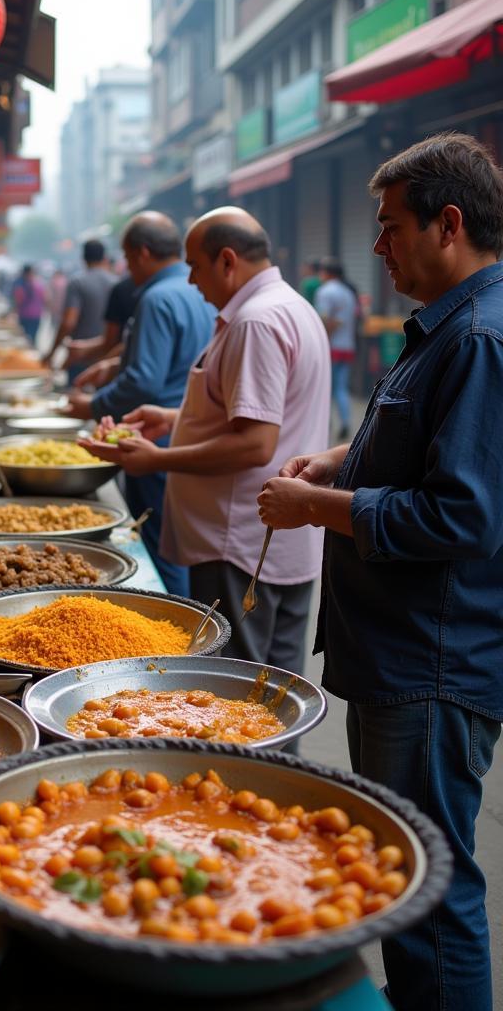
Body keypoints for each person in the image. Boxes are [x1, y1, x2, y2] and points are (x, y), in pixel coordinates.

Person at [257, 132, 503, 1011]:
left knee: (429, 885)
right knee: (402, 863)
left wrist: (316, 509)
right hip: (395, 649)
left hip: (431, 660)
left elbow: (464, 515)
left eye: (390, 226)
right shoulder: (446, 327)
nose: (376, 245)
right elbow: (414, 452)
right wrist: (334, 462)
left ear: (448, 224)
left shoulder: (479, 338)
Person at [82, 207, 329, 675]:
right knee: (275, 689)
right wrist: (176, 418)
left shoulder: (255, 322)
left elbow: (255, 443)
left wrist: (157, 459)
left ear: (228, 261)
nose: (191, 281)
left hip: (238, 543)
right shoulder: (290, 305)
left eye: (195, 266)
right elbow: (258, 412)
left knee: (236, 691)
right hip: (278, 542)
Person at [67, 214, 213, 594]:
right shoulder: (199, 288)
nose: (128, 269)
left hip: (154, 437)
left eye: (129, 259)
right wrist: (115, 362)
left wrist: (92, 406)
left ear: (143, 253)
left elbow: (143, 380)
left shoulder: (156, 297)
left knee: (161, 546)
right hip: (189, 432)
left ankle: (173, 638)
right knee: (179, 545)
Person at [46, 240, 118, 381]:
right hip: (108, 359)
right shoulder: (116, 283)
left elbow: (68, 323)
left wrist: (52, 352)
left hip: (80, 358)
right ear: (104, 257)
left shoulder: (77, 282)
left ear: (83, 258)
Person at [68, 274, 139, 389]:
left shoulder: (123, 288)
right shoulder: (116, 281)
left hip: (105, 364)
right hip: (109, 362)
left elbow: (111, 341)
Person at [314, 257, 358, 440]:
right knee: (341, 387)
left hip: (330, 346)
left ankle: (325, 423)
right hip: (347, 345)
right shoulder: (349, 292)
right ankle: (346, 422)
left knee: (325, 387)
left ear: (327, 273)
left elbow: (324, 319)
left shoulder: (325, 291)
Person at [11, 264, 45, 344]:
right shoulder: (39, 284)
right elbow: (45, 298)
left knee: (25, 338)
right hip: (34, 315)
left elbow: (18, 300)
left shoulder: (20, 284)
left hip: (26, 315)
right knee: (31, 338)